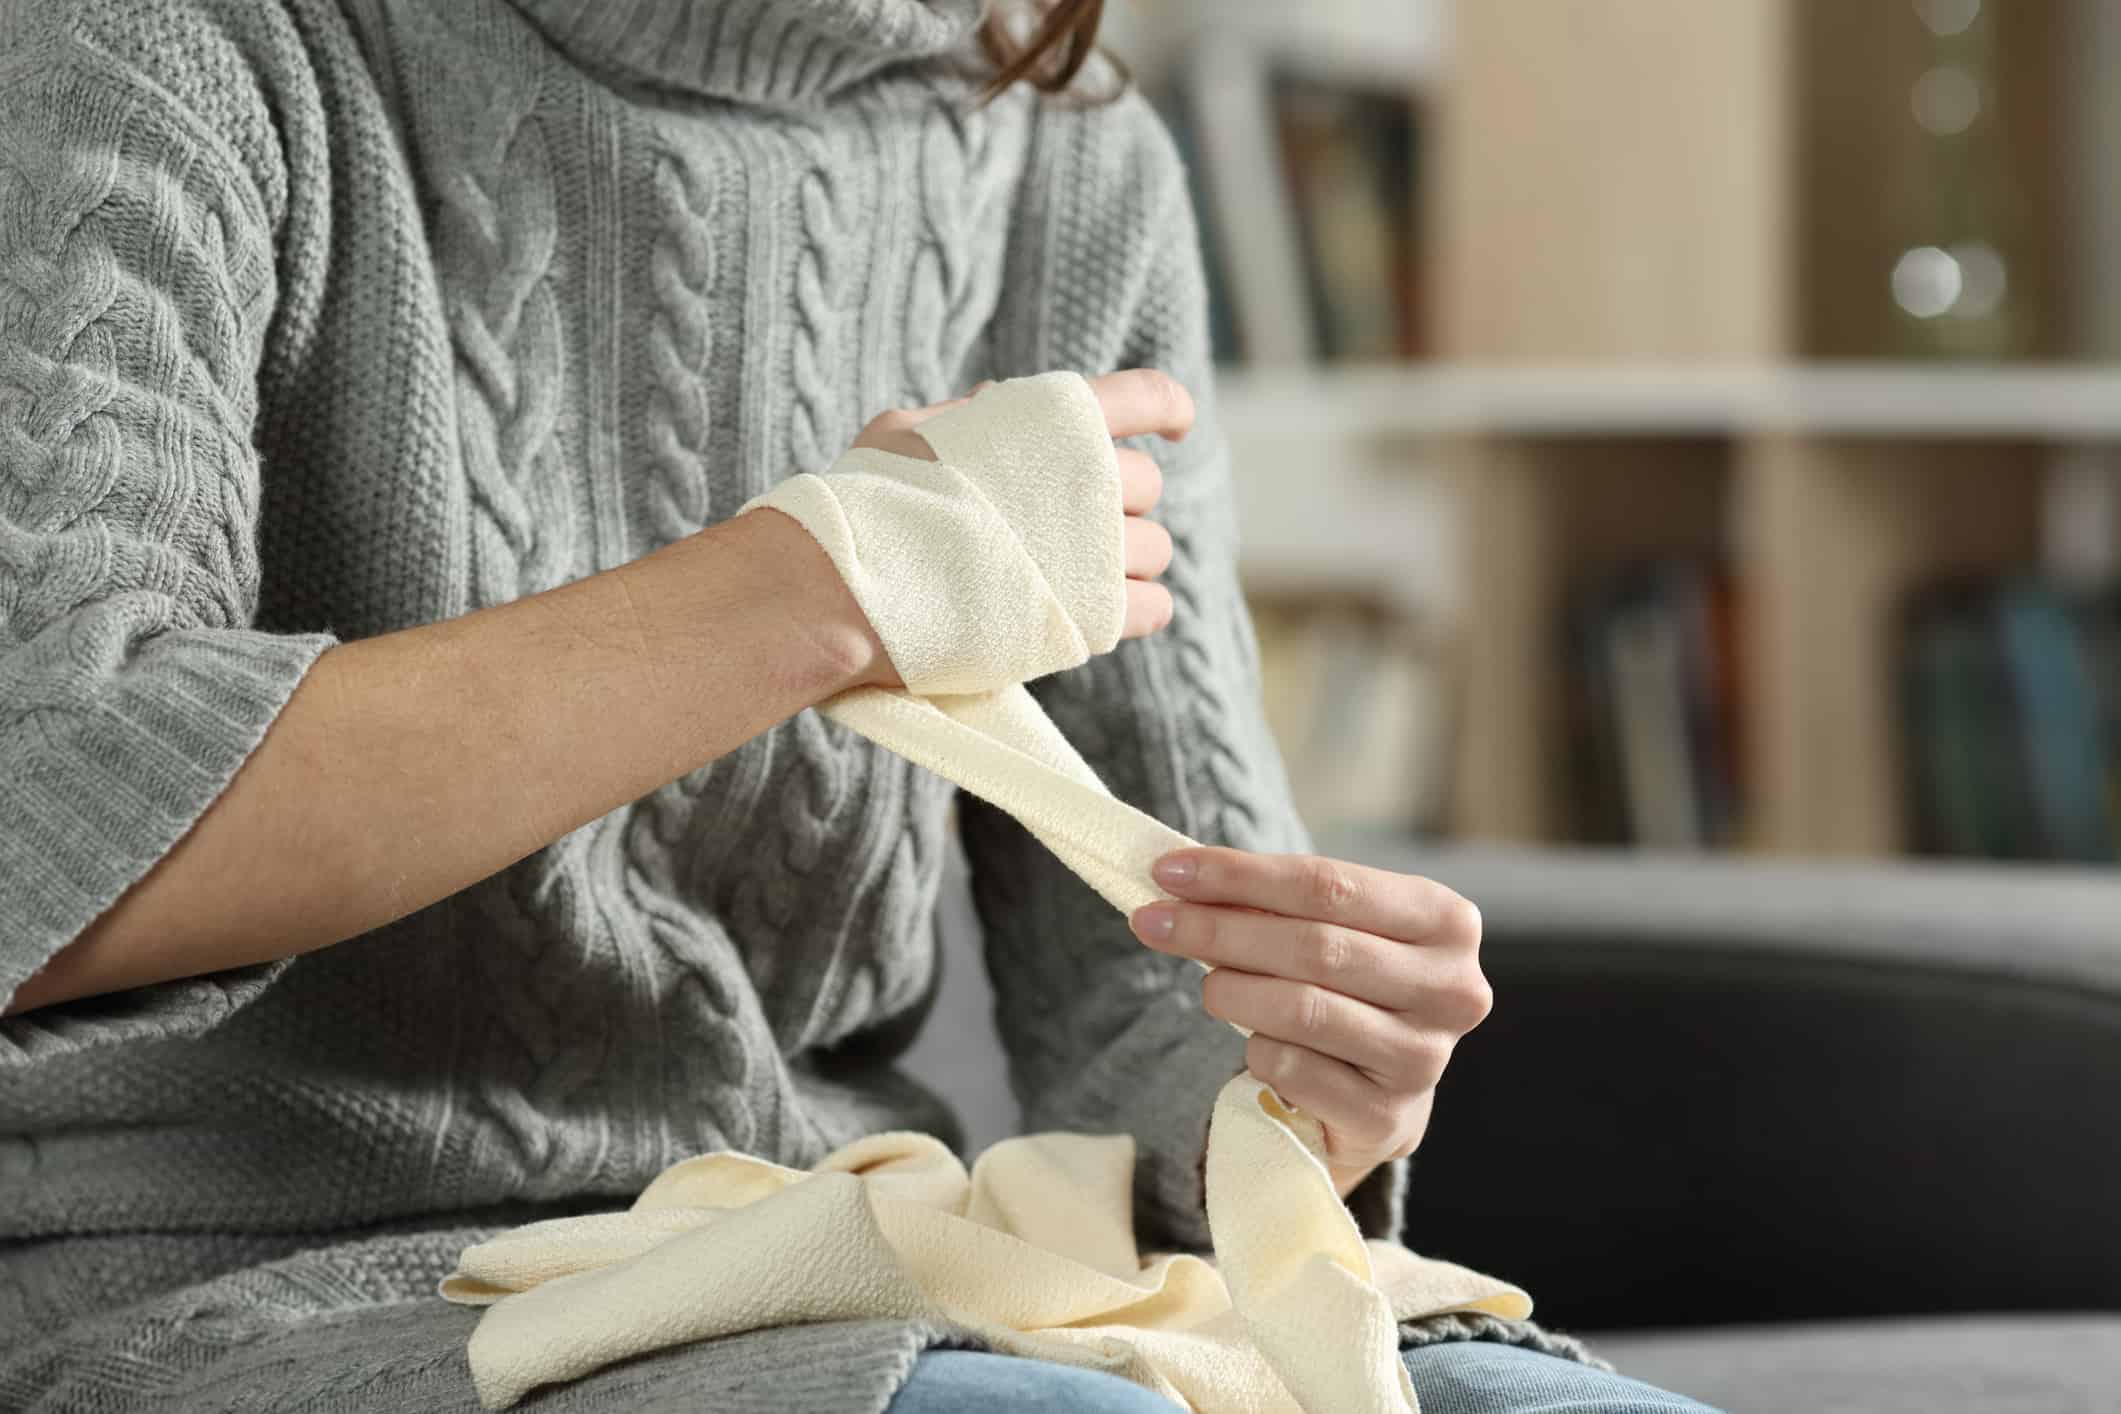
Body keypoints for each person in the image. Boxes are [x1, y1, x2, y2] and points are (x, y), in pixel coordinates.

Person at [0, 0, 1718, 1408]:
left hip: (881, 1248)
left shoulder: (1071, 156)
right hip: (250, 1301)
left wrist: (1302, 1081)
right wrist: (813, 590)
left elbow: (1138, 973)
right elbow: (52, 814)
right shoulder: (157, 48)